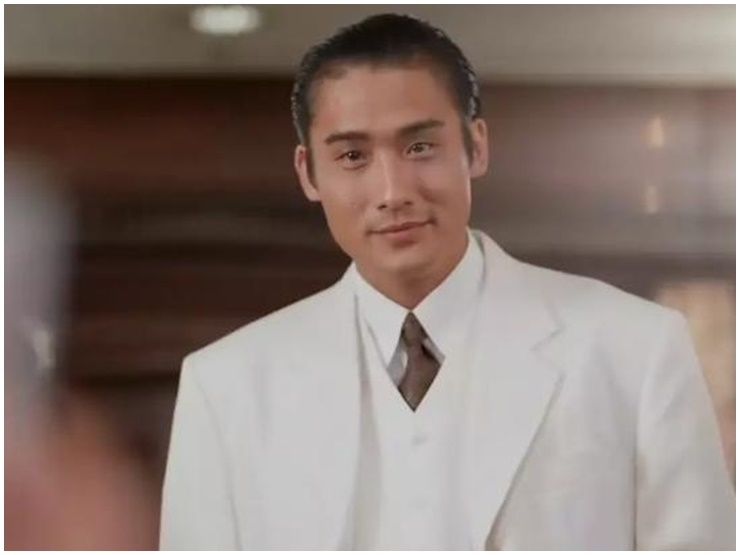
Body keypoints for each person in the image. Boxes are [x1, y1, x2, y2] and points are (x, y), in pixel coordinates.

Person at [160, 13, 734, 550]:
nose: (393, 192)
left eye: (420, 147)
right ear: (308, 173)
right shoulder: (227, 385)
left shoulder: (635, 348)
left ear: (475, 147)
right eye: (353, 156)